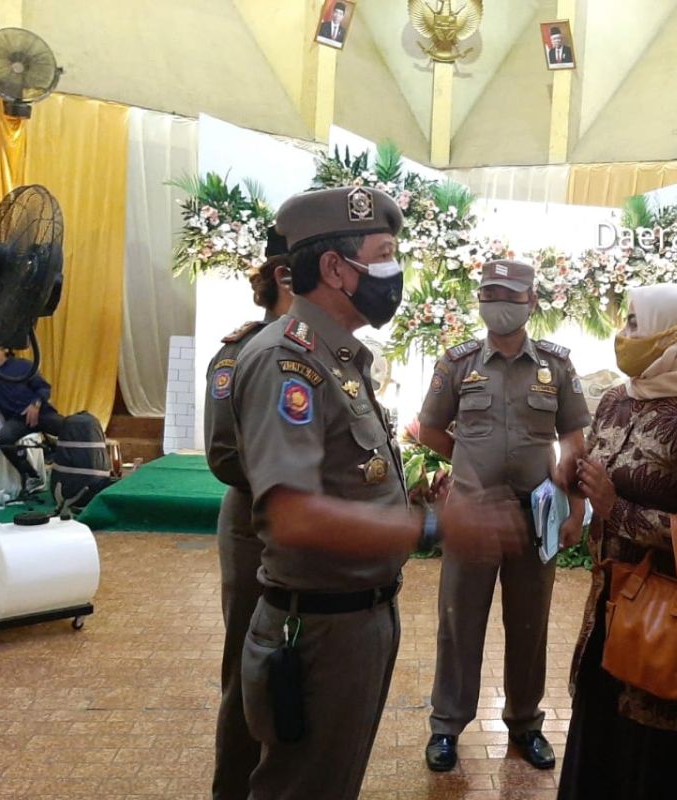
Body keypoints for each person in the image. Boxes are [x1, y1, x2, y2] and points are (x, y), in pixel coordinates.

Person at [230, 186, 524, 800]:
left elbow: (342, 475)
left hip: (353, 620)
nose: (395, 270)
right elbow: (291, 516)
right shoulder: (291, 363)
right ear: (336, 269)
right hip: (316, 631)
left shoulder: (340, 359)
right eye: (385, 253)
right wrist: (436, 528)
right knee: (301, 787)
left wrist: (410, 502)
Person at [557, 284, 677, 799]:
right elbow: (599, 473)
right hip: (609, 606)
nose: (625, 335)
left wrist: (619, 511)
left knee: (654, 758)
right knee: (601, 741)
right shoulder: (619, 399)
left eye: (637, 324)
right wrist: (573, 476)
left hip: (668, 614)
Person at [417, 259, 589, 773]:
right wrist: (467, 461)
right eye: (489, 293)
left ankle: (525, 721)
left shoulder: (556, 366)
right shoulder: (457, 363)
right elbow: (429, 429)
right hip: (471, 517)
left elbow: (575, 437)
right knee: (458, 623)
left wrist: (575, 503)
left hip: (536, 519)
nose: (499, 304)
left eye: (510, 296)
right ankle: (446, 726)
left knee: (530, 623)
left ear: (531, 302)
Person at [204, 235, 293, 800]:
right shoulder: (240, 352)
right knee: (246, 667)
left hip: (304, 535)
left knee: (295, 665)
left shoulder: (317, 352)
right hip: (254, 527)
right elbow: (223, 454)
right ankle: (232, 787)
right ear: (287, 275)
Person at [0, 344, 65, 494]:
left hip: (40, 412)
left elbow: (43, 388)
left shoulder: (23, 365)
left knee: (69, 429)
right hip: (18, 419)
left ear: (2, 348)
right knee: (4, 439)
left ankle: (66, 465)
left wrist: (35, 404)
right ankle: (31, 475)